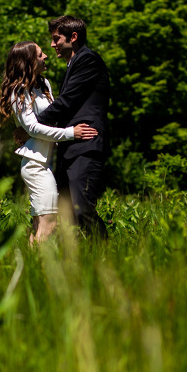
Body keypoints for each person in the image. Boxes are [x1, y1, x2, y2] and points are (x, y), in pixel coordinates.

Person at [0, 41, 98, 244]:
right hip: (36, 166)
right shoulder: (18, 91)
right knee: (49, 224)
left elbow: (49, 118)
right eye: (40, 55)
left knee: (40, 226)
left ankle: (32, 270)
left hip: (48, 163)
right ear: (28, 62)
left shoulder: (44, 84)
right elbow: (32, 127)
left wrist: (27, 131)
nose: (46, 57)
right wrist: (71, 133)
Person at [34, 16, 110, 239]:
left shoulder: (88, 60)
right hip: (70, 146)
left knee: (81, 207)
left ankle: (105, 254)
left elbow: (66, 101)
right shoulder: (72, 65)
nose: (52, 44)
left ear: (73, 37)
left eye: (56, 38)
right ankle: (77, 263)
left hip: (87, 143)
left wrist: (32, 126)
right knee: (67, 213)